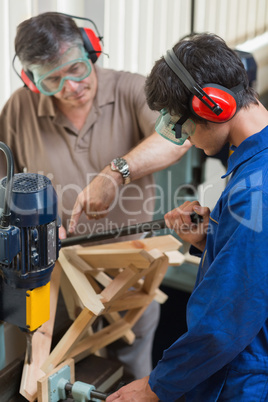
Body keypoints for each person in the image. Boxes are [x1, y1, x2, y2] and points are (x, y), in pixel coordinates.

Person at [0, 12, 191, 381]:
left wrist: (115, 173)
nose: (70, 86)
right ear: (30, 79)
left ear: (91, 50)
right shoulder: (18, 108)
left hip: (128, 274)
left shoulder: (133, 89)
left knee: (132, 374)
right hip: (52, 278)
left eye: (75, 69)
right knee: (48, 373)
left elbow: (176, 139)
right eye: (52, 79)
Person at [106, 32, 268, 401]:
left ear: (215, 107)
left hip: (250, 378)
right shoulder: (254, 166)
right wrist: (210, 239)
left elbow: (227, 321)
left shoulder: (256, 190)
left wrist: (154, 387)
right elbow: (257, 267)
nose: (184, 139)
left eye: (181, 126)